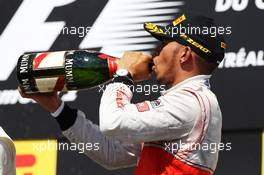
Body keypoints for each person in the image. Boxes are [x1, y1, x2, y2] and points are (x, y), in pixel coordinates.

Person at [19, 13, 226, 175]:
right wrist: (57, 107)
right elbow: (113, 154)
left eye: (163, 43)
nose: (155, 51)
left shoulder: (193, 102)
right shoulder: (186, 101)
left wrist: (123, 74)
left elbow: (113, 122)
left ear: (184, 54)